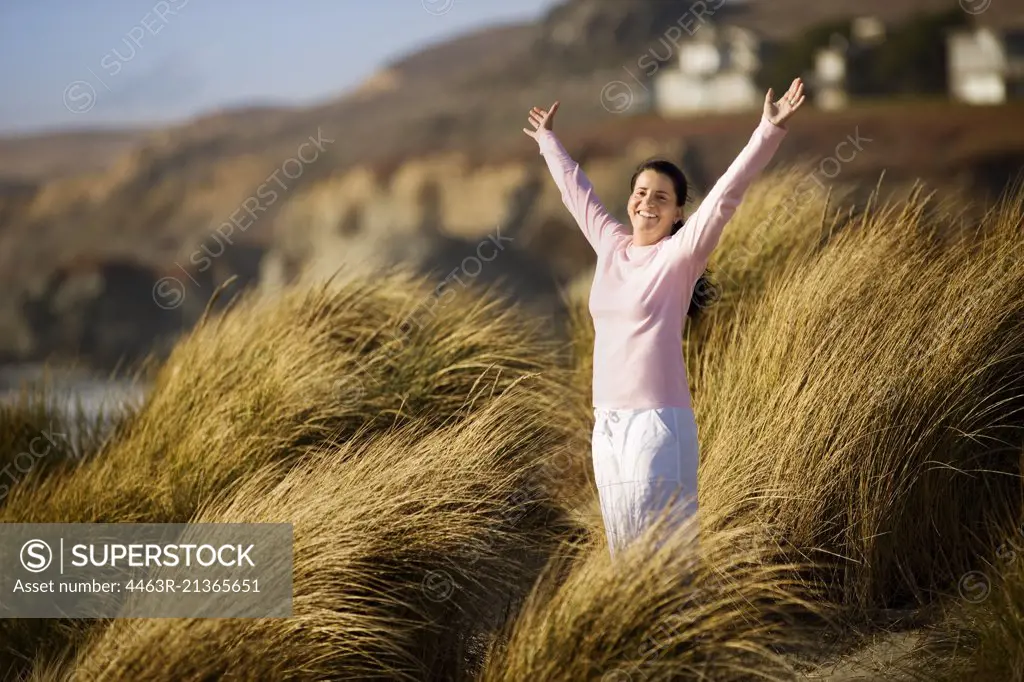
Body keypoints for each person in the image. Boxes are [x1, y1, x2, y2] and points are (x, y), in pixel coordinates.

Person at [523, 78, 806, 558]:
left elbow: (725, 197)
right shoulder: (611, 246)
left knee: (663, 555)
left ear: (677, 213)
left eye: (660, 198)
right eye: (640, 193)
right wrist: (548, 140)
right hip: (607, 423)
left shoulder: (680, 256)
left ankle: (685, 633)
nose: (646, 203)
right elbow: (578, 193)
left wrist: (768, 130)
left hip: (658, 422)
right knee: (622, 552)